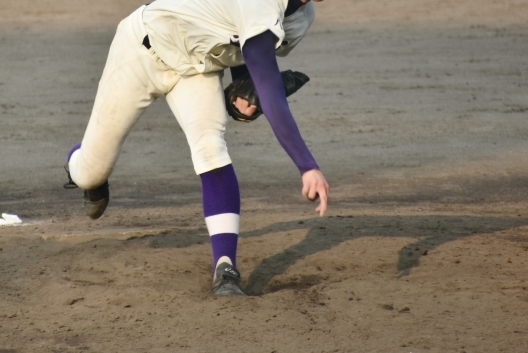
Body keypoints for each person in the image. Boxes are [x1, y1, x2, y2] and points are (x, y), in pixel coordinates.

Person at [64, 0, 329, 296]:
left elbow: (244, 46)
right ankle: (83, 165)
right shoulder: (261, 4)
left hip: (196, 69)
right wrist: (307, 166)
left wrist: (243, 92)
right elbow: (269, 88)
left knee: (211, 149)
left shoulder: (301, 17)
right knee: (89, 173)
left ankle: (225, 267)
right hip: (140, 51)